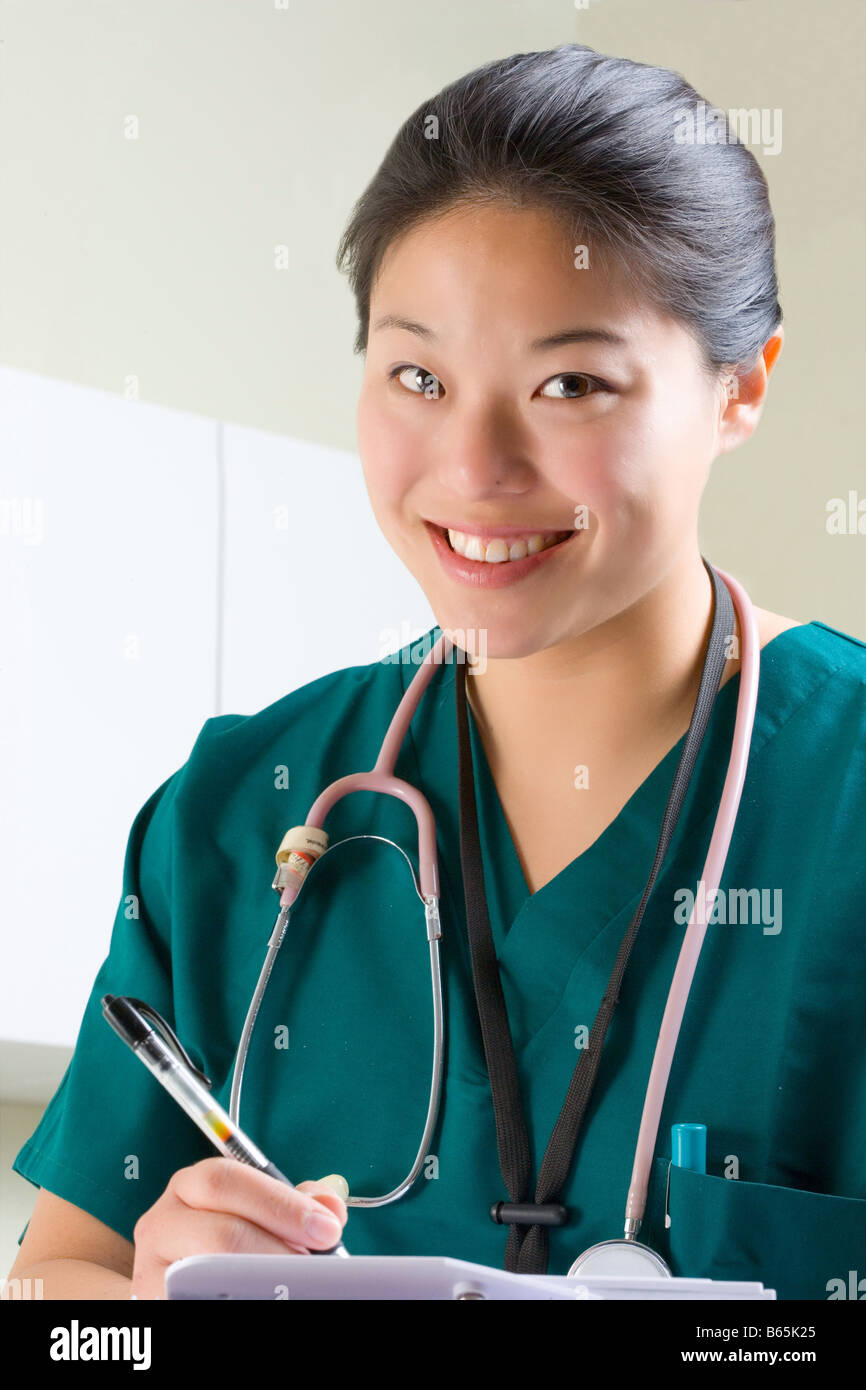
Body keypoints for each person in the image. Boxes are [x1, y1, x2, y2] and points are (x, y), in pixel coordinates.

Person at [9, 43, 866, 1302]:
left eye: (568, 383)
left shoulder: (835, 797)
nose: (473, 468)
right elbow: (54, 1300)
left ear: (739, 387)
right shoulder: (241, 811)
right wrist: (143, 1314)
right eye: (418, 374)